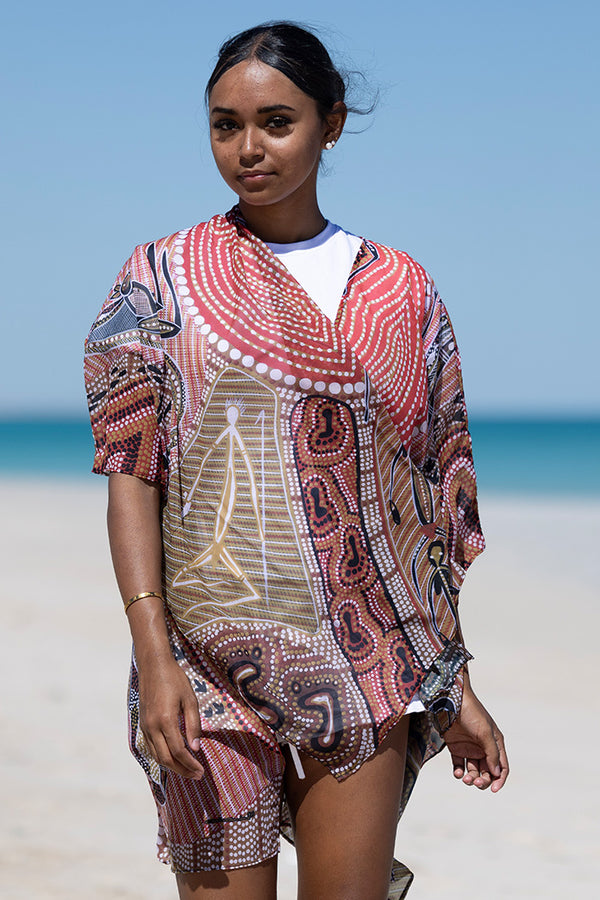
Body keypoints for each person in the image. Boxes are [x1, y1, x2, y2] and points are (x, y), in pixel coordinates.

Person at [84, 21, 508, 900]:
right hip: (201, 669)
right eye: (225, 125)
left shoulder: (403, 292)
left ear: (331, 123)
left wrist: (452, 683)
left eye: (276, 122)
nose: (248, 149)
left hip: (366, 667)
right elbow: (132, 475)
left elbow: (425, 511)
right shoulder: (159, 279)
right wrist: (153, 656)